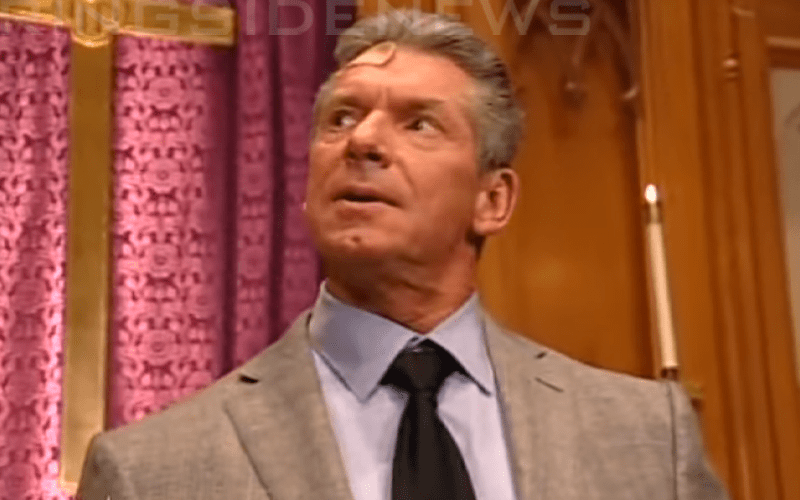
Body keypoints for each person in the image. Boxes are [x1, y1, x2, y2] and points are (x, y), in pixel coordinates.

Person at [77, 10, 728, 500]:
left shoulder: (648, 440)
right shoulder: (152, 473)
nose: (362, 141)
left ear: (492, 200)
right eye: (341, 118)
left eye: (419, 123)